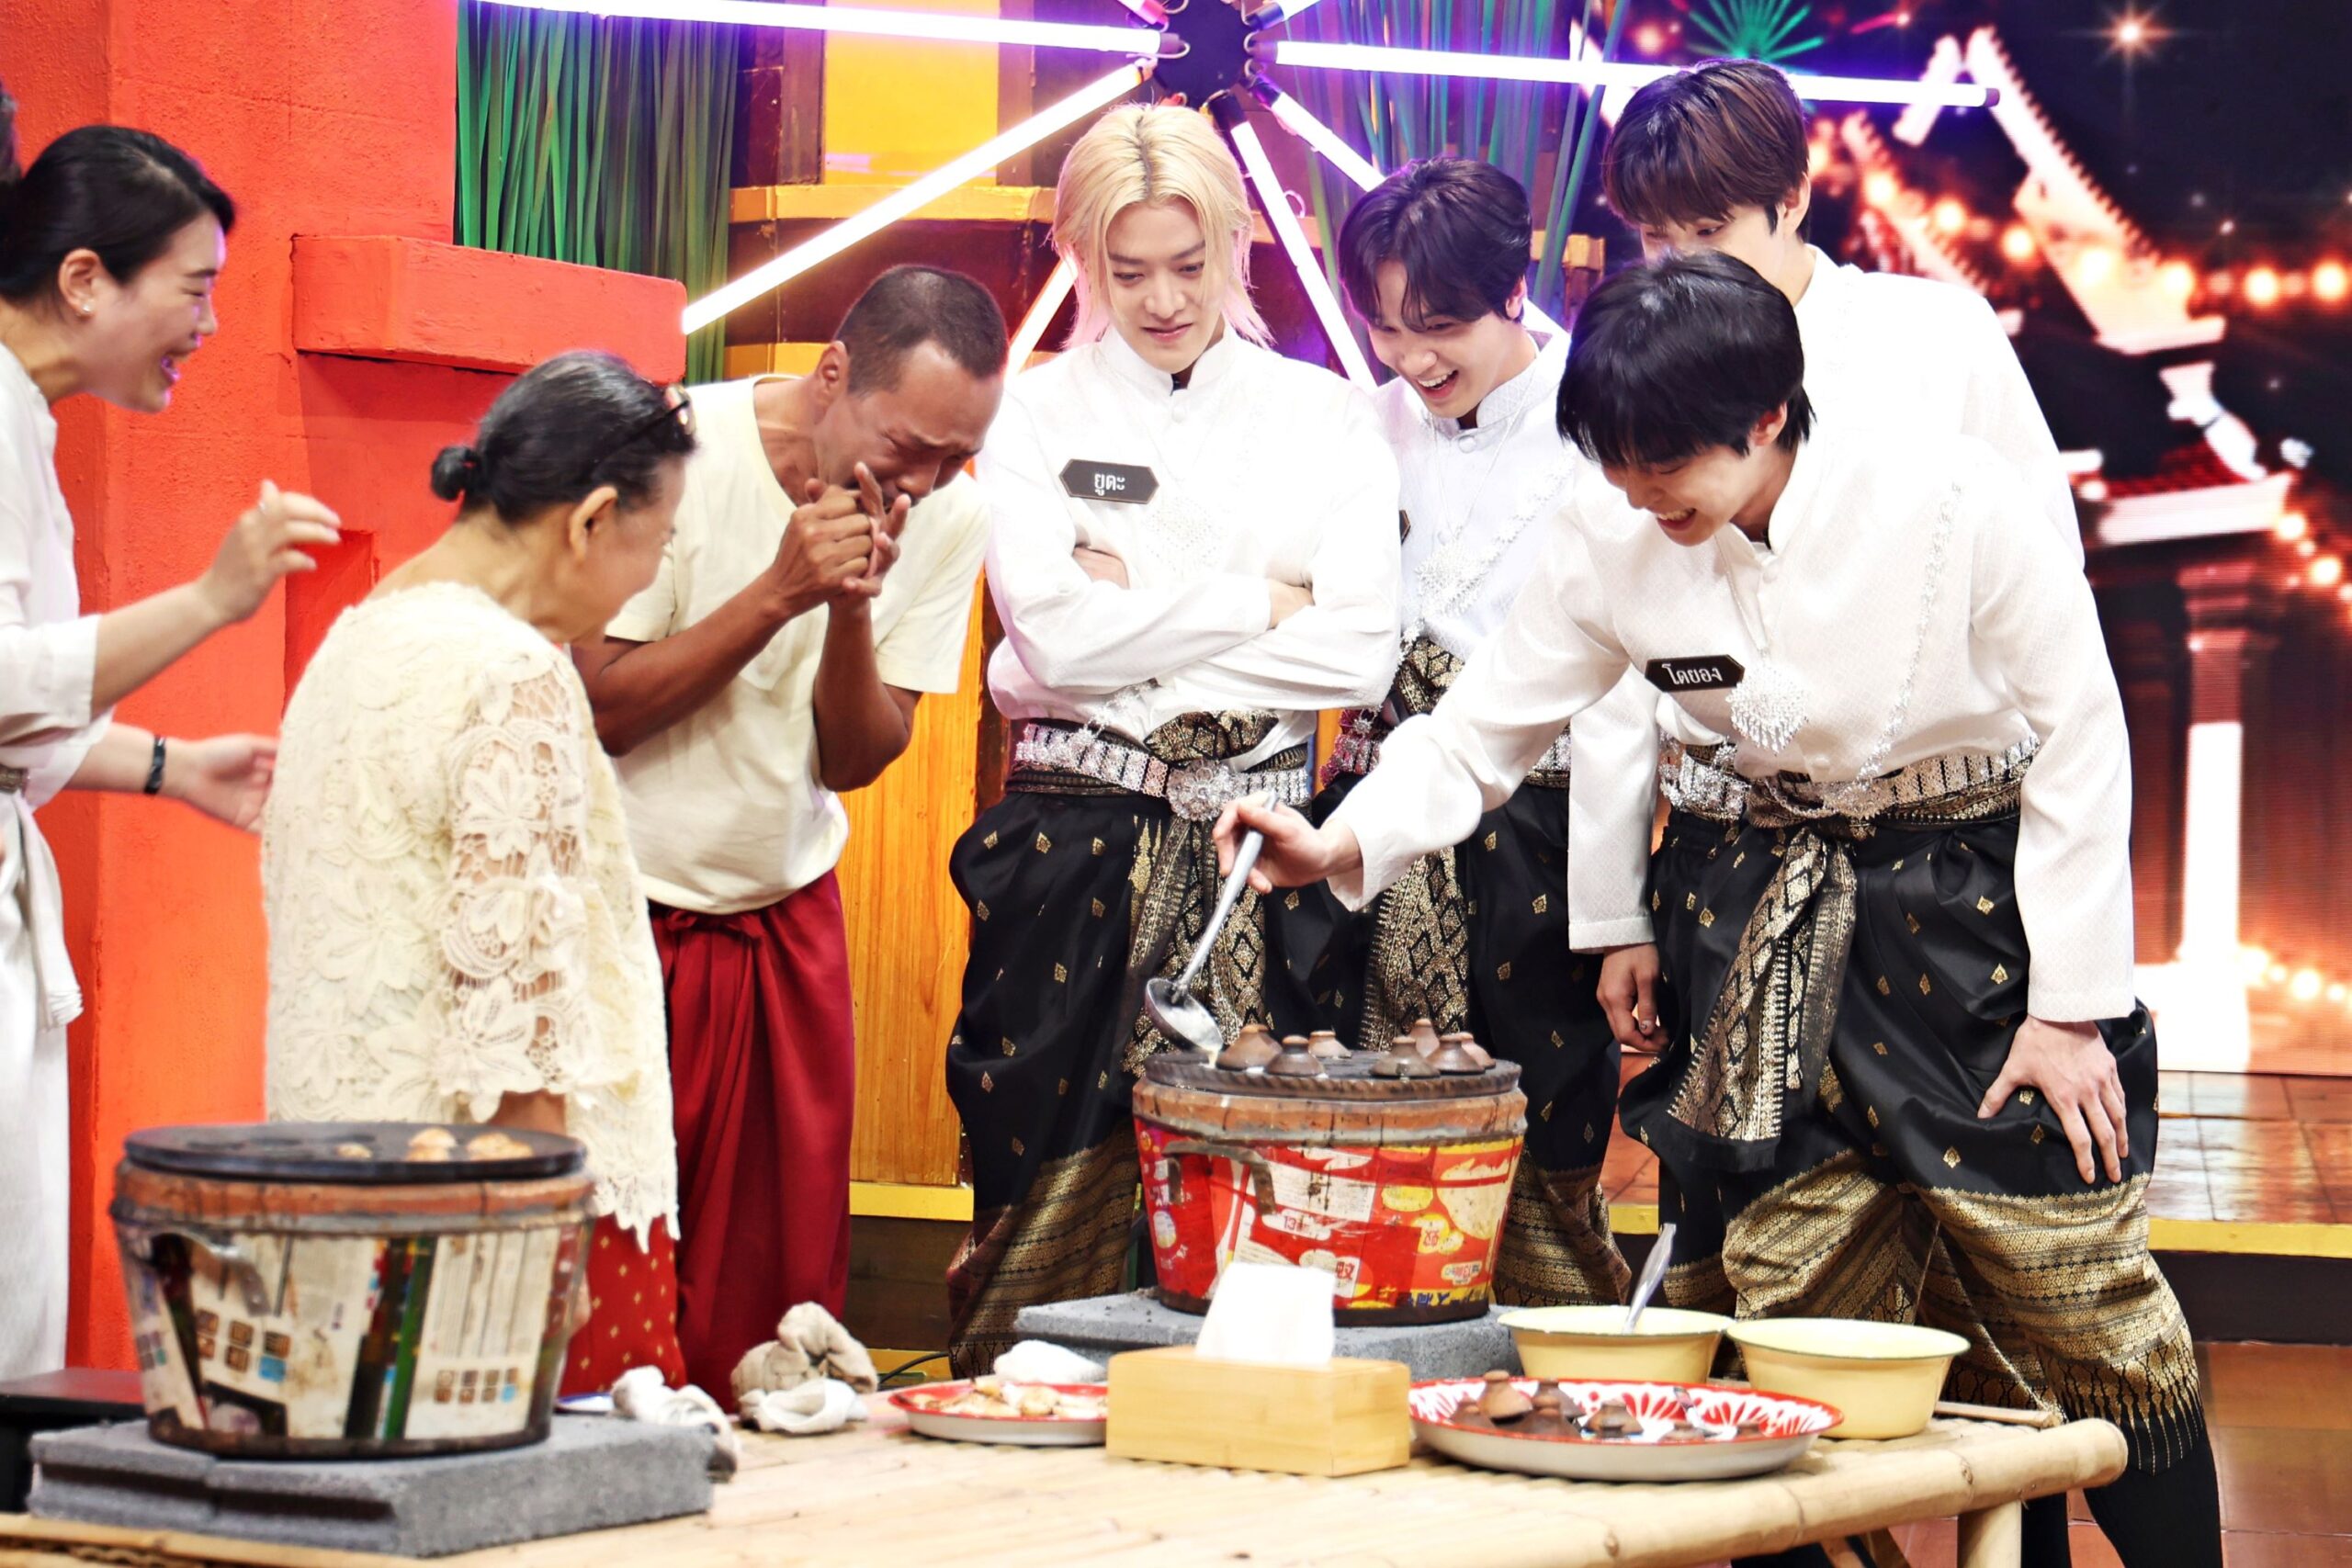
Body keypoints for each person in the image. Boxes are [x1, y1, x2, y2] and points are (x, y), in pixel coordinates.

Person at [1217, 253, 2222, 1568]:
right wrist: (1341, 838)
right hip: (1764, 925)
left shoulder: (1951, 498)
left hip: (1971, 916)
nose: (1640, 495)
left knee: (2081, 1306)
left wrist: (2072, 1010)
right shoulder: (1612, 529)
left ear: (1767, 416)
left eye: (1666, 463)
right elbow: (1481, 730)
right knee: (1779, 1299)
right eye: (1613, 464)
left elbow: (2082, 731)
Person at [942, 102, 1400, 1376]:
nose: (1161, 301)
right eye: (1126, 269)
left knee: (1271, 1189)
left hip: (1265, 849)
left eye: (1189, 266)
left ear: (1239, 244)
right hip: (1069, 850)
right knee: (1036, 1160)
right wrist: (1266, 600)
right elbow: (1052, 640)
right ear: (1080, 258)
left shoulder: (1325, 417)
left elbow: (1358, 653)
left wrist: (1124, 606)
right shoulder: (1032, 413)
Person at [1589, 56, 2085, 1063]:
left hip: (1941, 860)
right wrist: (1613, 911)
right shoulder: (1630, 361)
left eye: (1708, 230)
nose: (1679, 266)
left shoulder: (1937, 336)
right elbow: (1610, 657)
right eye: (1653, 238)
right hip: (1723, 864)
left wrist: (2074, 984)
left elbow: (2059, 642)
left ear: (1795, 197)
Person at [572, 265, 1007, 1398]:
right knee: (605, 1273)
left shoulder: (949, 512)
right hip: (616, 912)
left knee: (773, 1306)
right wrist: (779, 591)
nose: (924, 479)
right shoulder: (670, 448)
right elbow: (603, 706)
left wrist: (850, 610)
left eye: (955, 456)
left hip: (782, 912)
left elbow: (853, 759)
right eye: (908, 444)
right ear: (831, 376)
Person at [264, 352, 695, 1395]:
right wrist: (538, 1238)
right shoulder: (514, 672)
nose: (651, 576)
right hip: (489, 1208)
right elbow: (516, 1002)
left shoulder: (354, 638)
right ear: (592, 519)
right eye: (661, 542)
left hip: (328, 1185)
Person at [0, 90, 338, 1380]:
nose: (208, 325)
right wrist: (210, 598)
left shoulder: (24, 419)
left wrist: (170, 766)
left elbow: (25, 719)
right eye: (193, 288)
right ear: (86, 279)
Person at [1317, 157, 1655, 1306]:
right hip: (1370, 822)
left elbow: (1619, 702)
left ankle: (1551, 1377)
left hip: (1538, 838)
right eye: (1385, 330)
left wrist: (1616, 915)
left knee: (1541, 1140)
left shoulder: (1595, 425)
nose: (1412, 361)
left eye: (1440, 327)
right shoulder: (1359, 426)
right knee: (1354, 1149)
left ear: (1514, 291)